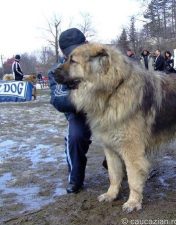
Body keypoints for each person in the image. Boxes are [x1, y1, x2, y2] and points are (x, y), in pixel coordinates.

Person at [48, 28, 104, 194]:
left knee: (124, 134)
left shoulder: (101, 61)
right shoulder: (57, 70)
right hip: (80, 113)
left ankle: (114, 165)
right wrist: (90, 95)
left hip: (107, 111)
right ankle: (75, 179)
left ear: (86, 45)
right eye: (68, 53)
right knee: (75, 137)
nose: (73, 55)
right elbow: (59, 100)